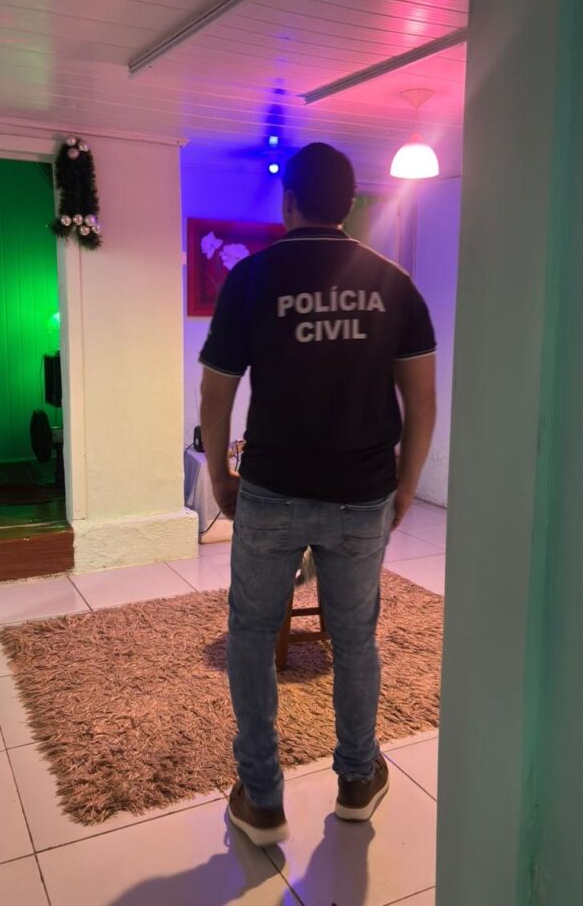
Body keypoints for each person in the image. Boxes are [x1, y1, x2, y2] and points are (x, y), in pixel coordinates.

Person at [199, 142, 437, 847]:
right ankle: (358, 779)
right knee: (355, 637)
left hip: (271, 491)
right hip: (362, 493)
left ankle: (261, 799)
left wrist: (219, 477)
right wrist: (405, 488)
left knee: (251, 632)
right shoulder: (395, 284)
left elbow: (216, 393)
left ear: (289, 202)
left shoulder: (251, 278)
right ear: (351, 204)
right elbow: (422, 403)